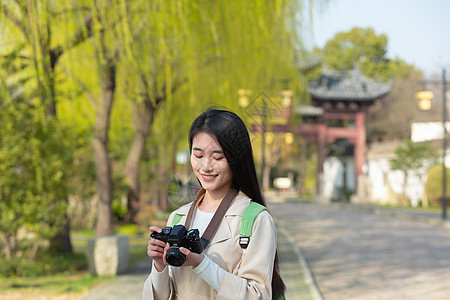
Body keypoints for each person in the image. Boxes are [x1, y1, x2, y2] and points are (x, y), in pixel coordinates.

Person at [144, 108, 285, 300]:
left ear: (236, 159)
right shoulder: (178, 217)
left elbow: (257, 295)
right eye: (198, 155)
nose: (206, 166)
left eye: (218, 157)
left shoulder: (255, 219)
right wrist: (159, 265)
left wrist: (200, 263)